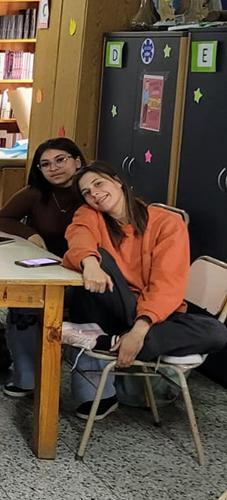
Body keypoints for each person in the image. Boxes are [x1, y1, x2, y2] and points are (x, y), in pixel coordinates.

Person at [61, 162, 227, 419]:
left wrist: (140, 330)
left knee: (216, 332)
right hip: (109, 304)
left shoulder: (167, 223)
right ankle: (114, 338)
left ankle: (110, 342)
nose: (93, 194)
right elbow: (79, 234)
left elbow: (167, 283)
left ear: (117, 181)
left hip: (151, 313)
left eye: (98, 184)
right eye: (86, 192)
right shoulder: (89, 215)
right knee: (100, 256)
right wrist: (90, 262)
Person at [0, 138, 86, 398]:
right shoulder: (35, 193)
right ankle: (27, 378)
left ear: (77, 161)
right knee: (23, 303)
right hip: (48, 270)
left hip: (88, 273)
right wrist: (30, 233)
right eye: (45, 164)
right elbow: (2, 218)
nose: (53, 168)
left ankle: (90, 391)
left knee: (92, 308)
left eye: (61, 160)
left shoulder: (92, 190)